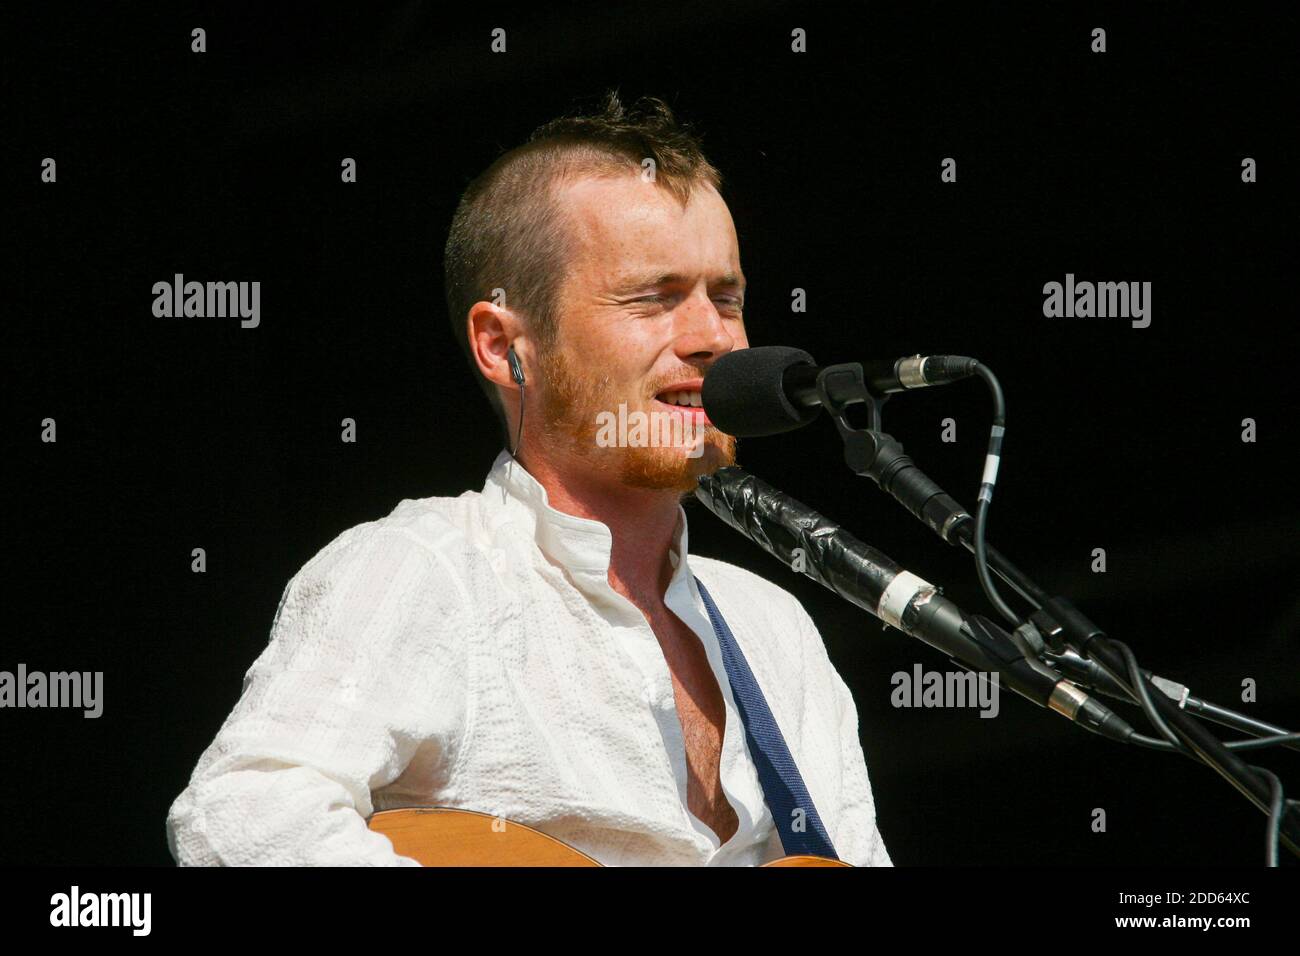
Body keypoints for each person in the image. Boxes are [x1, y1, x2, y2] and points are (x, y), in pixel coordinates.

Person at [166, 91, 892, 867]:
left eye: (727, 298)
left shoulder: (772, 628)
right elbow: (239, 820)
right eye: (654, 298)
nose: (712, 339)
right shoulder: (426, 570)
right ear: (504, 345)